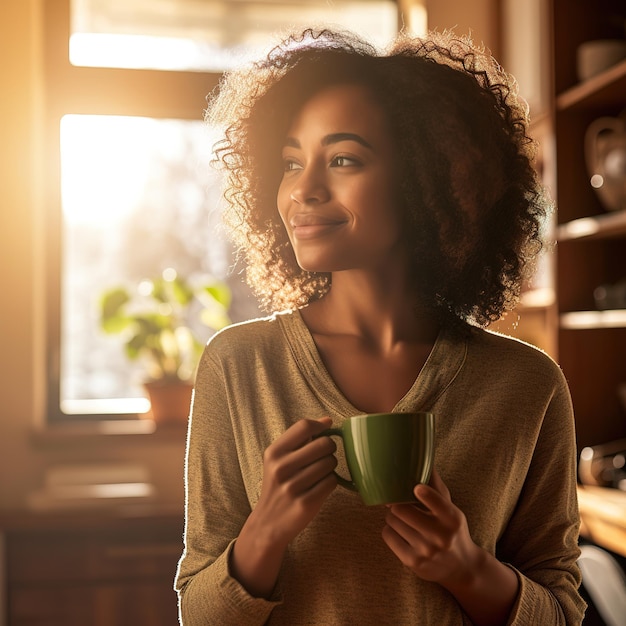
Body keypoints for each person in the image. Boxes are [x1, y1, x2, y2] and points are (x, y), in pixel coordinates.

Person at [174, 28, 586, 625]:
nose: (303, 190)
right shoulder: (239, 366)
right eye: (291, 162)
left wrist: (469, 568)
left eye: (343, 159)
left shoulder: (526, 385)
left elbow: (563, 614)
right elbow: (200, 616)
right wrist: (264, 533)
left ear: (431, 180)